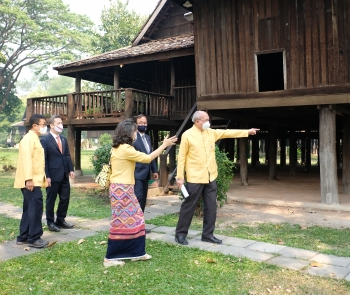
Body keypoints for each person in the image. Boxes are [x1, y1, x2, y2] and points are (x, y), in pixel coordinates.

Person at [175, 111, 259, 246]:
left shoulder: (211, 133)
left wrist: (247, 132)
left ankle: (208, 235)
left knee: (211, 207)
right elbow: (181, 158)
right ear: (197, 122)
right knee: (188, 206)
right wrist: (180, 177)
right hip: (195, 177)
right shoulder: (187, 135)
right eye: (205, 120)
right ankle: (180, 234)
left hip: (211, 177)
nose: (209, 122)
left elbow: (228, 133)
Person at [104, 119, 177, 267]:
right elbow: (147, 158)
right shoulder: (125, 149)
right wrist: (164, 145)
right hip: (122, 189)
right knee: (121, 222)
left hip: (122, 188)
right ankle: (110, 258)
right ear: (129, 133)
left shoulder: (118, 147)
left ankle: (137, 253)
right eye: (134, 131)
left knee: (135, 219)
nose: (136, 134)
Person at [14, 114, 50, 249]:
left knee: (29, 208)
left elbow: (38, 161)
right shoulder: (28, 139)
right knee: (35, 208)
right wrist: (28, 179)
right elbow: (27, 161)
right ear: (34, 126)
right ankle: (34, 238)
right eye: (43, 124)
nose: (44, 126)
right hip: (30, 181)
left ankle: (23, 236)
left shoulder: (35, 138)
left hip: (35, 180)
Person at [40, 115, 75, 232]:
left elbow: (67, 155)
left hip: (64, 174)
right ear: (51, 125)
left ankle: (60, 219)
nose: (61, 125)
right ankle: (50, 222)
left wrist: (71, 169)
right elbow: (43, 159)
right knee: (51, 200)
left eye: (61, 123)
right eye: (58, 123)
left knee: (65, 198)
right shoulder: (44, 140)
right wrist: (47, 176)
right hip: (52, 176)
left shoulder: (63, 139)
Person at [132, 114, 158, 233]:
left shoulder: (147, 137)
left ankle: (140, 225)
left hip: (146, 173)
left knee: (143, 200)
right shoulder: (133, 137)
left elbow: (150, 154)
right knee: (138, 198)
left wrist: (154, 170)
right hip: (136, 173)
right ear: (136, 124)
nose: (143, 125)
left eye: (145, 123)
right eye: (140, 123)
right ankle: (133, 224)